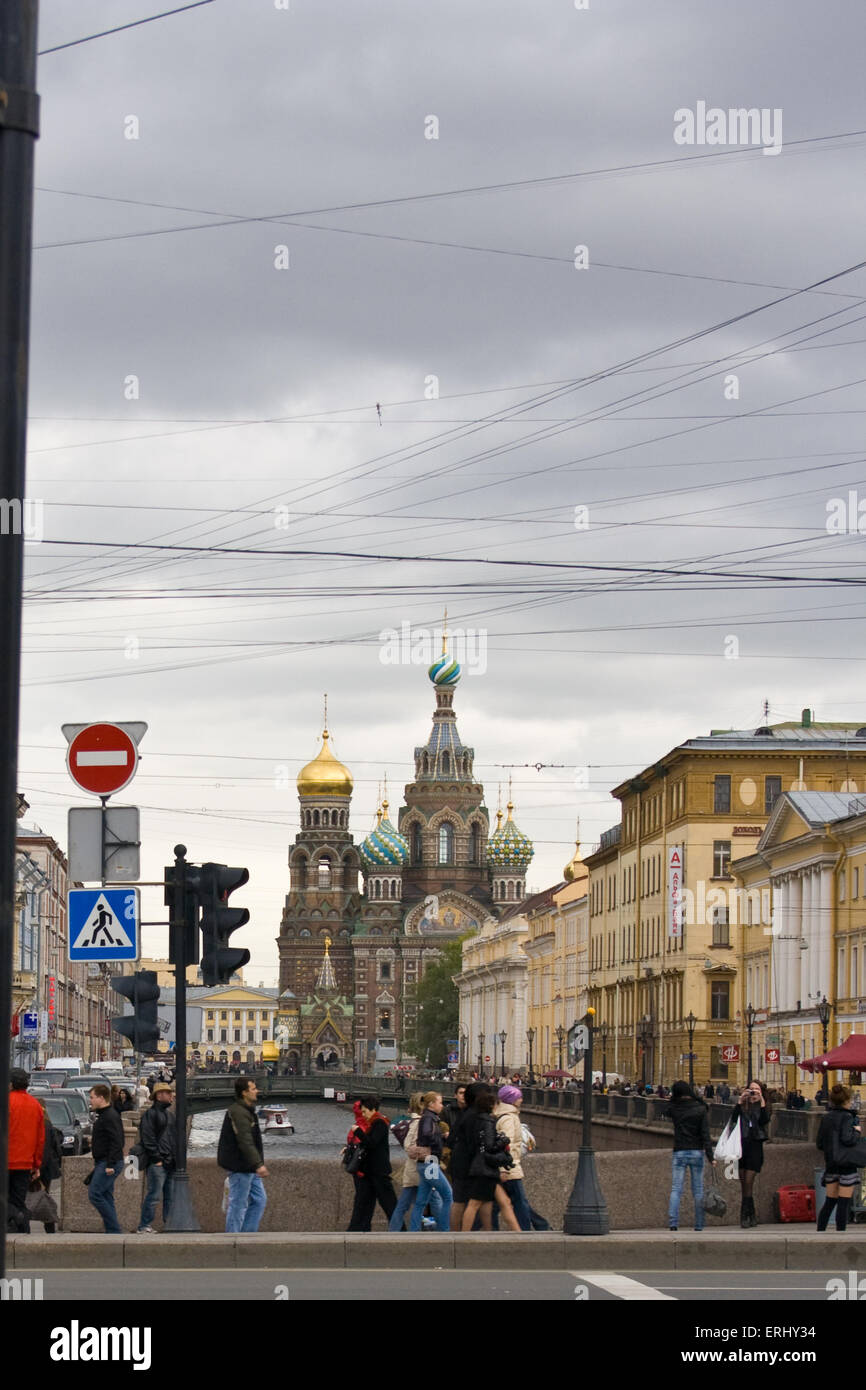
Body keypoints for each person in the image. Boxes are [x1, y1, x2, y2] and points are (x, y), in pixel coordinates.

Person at [217, 1076, 269, 1233]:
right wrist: (258, 1164)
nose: (256, 1091)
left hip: (249, 1166)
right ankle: (234, 1241)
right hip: (240, 1165)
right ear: (244, 1093)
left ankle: (246, 1236)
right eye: (253, 1089)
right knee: (238, 1204)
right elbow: (245, 1140)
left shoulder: (247, 1110)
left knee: (260, 1200)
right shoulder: (238, 1112)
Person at [663, 1080, 715, 1232]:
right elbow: (706, 1134)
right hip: (696, 1152)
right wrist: (711, 1157)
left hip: (679, 1151)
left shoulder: (674, 1108)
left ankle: (673, 1223)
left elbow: (664, 1111)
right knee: (698, 1190)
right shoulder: (700, 1108)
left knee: (676, 1189)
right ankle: (699, 1225)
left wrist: (672, 1099)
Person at [461, 1084, 514, 1230]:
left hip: (482, 1167)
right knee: (475, 1203)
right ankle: (463, 1236)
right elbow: (489, 1146)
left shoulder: (476, 1119)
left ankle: (491, 1232)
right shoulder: (488, 1122)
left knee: (494, 1203)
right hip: (485, 1169)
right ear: (491, 1105)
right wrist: (503, 1141)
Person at [816, 1083, 865, 1231]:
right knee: (843, 1203)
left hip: (831, 1164)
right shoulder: (848, 1117)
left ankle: (820, 1232)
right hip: (846, 1165)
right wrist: (857, 1131)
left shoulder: (826, 1118)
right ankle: (840, 1234)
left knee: (830, 1202)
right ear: (846, 1101)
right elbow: (847, 1139)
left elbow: (819, 1143)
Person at [347, 1096, 397, 1230]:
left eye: (365, 1112)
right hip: (372, 1171)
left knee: (388, 1203)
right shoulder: (375, 1123)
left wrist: (357, 1131)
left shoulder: (379, 1123)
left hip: (379, 1171)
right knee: (367, 1203)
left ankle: (399, 1229)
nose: (363, 1115)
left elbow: (371, 1143)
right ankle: (359, 1229)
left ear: (373, 1109)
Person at [408, 1092, 453, 1232]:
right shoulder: (429, 1118)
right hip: (431, 1162)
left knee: (421, 1202)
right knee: (448, 1194)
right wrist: (441, 1135)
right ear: (431, 1104)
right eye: (440, 1102)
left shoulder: (428, 1117)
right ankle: (445, 1229)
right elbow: (428, 1135)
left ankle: (414, 1230)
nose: (442, 1105)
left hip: (425, 1163)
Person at [136, 1079, 177, 1233]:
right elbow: (148, 1138)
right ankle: (144, 1226)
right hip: (158, 1163)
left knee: (169, 1198)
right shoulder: (150, 1114)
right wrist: (157, 1159)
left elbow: (172, 1139)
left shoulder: (169, 1115)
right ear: (159, 1096)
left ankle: (169, 1225)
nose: (171, 1096)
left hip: (169, 1162)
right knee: (154, 1196)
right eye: (168, 1093)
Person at [7, 1068, 45, 1234]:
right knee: (18, 1199)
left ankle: (18, 1222)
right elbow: (40, 1138)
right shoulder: (35, 1105)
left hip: (6, 1161)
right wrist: (36, 1164)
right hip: (25, 1163)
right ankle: (23, 1229)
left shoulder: (6, 1101)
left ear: (10, 1084)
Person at [730, 1080, 770, 1228]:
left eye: (756, 1090)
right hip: (741, 1146)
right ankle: (750, 1216)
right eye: (751, 1089)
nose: (753, 1092)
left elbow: (765, 1120)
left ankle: (744, 1217)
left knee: (748, 1182)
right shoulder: (743, 1105)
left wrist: (762, 1102)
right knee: (743, 1183)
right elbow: (734, 1119)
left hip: (755, 1146)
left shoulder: (762, 1106)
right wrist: (741, 1101)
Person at [493, 1085, 532, 1231]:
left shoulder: (508, 1115)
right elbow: (506, 1144)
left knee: (497, 1204)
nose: (521, 1100)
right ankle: (525, 1230)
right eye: (518, 1097)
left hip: (508, 1165)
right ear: (511, 1099)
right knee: (520, 1201)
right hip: (510, 1167)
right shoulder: (509, 1118)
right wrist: (504, 1168)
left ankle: (481, 1228)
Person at [88, 1082, 125, 1234]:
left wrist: (110, 1164)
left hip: (108, 1162)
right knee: (106, 1196)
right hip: (104, 1161)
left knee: (95, 1194)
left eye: (92, 1097)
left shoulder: (109, 1116)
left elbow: (117, 1141)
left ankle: (114, 1229)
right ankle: (113, 1232)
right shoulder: (106, 1115)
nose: (90, 1100)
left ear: (101, 1098)